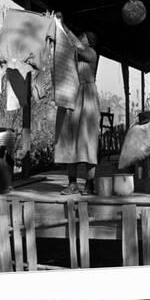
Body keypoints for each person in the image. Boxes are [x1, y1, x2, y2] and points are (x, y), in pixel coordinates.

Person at [54, 25, 100, 195]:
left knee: (87, 139)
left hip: (86, 98)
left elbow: (75, 46)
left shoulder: (91, 54)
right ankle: (72, 183)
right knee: (69, 139)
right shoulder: (73, 55)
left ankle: (89, 183)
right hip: (70, 95)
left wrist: (63, 27)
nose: (80, 37)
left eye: (84, 35)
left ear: (90, 42)